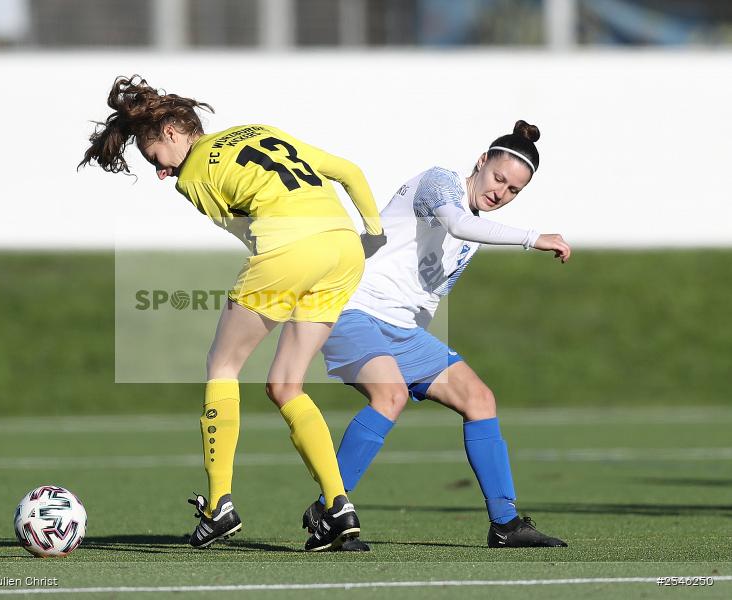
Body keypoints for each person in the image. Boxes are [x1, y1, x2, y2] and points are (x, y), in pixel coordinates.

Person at [79, 75, 386, 551]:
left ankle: (219, 504)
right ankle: (339, 506)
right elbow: (348, 170)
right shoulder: (262, 130)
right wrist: (373, 232)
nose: (161, 173)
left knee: (222, 366)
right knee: (286, 384)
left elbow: (249, 235)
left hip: (291, 249)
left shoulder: (194, 176)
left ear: (174, 134)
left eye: (155, 158)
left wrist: (278, 272)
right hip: (346, 249)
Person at [305, 120, 571, 548]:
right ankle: (328, 511)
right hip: (350, 309)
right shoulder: (439, 182)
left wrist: (415, 351)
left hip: (402, 331)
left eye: (513, 190)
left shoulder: (475, 233)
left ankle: (505, 524)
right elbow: (458, 224)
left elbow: (426, 297)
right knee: (389, 396)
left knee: (479, 399)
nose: (500, 192)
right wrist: (534, 238)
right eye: (499, 178)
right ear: (482, 162)